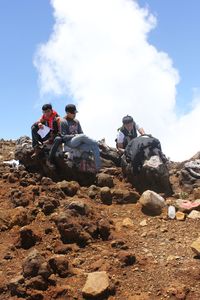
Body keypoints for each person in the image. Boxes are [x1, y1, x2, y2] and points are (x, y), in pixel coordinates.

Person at [48, 104, 101, 171]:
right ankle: (97, 142)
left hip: (79, 143)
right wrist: (74, 136)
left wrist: (79, 137)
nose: (75, 114)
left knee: (94, 146)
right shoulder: (63, 122)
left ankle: (98, 168)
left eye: (75, 112)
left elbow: (81, 132)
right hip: (70, 142)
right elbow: (64, 137)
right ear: (67, 113)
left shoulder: (76, 121)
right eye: (73, 113)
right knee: (84, 137)